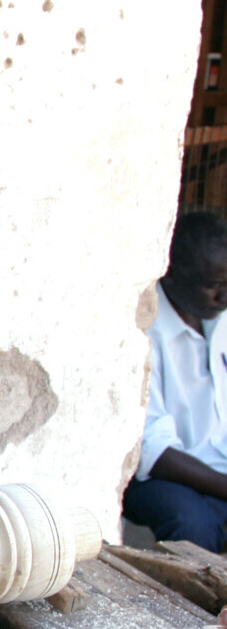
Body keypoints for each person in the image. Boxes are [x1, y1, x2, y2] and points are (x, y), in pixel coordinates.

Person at [125, 210, 227, 551]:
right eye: (213, 285)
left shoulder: (219, 320)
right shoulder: (143, 333)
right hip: (166, 474)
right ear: (168, 275)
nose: (224, 297)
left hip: (220, 469)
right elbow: (153, 449)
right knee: (191, 525)